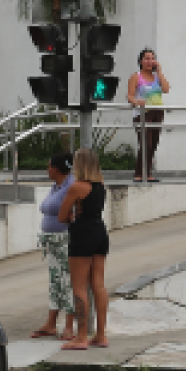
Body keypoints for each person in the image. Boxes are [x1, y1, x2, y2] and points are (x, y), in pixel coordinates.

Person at [58, 148, 110, 352]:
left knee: (79, 286)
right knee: (98, 284)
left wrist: (72, 215)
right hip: (100, 232)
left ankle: (81, 337)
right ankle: (101, 334)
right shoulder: (101, 186)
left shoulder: (77, 187)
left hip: (82, 234)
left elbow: (62, 216)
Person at [30, 153, 78, 341]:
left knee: (67, 282)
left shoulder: (71, 185)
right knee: (55, 282)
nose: (47, 169)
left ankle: (68, 325)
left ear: (56, 168)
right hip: (53, 241)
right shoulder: (56, 187)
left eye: (49, 165)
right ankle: (51, 324)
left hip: (65, 239)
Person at [128, 48, 171, 183]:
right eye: (147, 58)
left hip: (158, 112)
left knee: (154, 144)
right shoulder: (136, 76)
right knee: (146, 143)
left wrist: (160, 72)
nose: (150, 61)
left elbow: (166, 89)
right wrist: (137, 102)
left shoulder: (157, 77)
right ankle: (139, 173)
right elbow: (129, 96)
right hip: (142, 113)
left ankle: (147, 173)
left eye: (152, 58)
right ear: (141, 61)